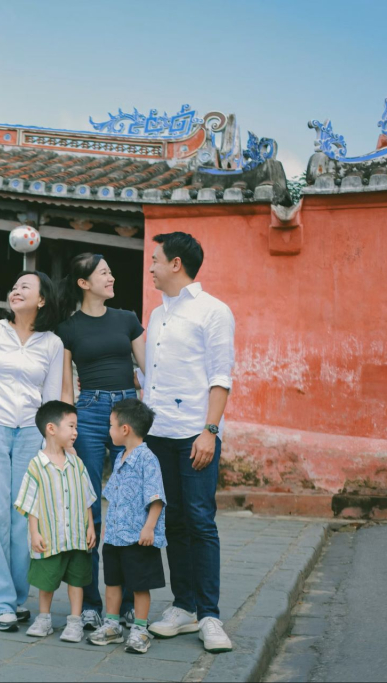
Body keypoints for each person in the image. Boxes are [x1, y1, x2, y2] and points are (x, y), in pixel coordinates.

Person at [141, 231, 235, 653]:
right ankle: (183, 607)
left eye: (156, 259)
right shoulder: (158, 315)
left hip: (194, 436)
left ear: (176, 263)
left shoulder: (214, 311)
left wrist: (209, 431)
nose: (151, 266)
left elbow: (220, 376)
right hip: (159, 434)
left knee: (200, 521)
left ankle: (210, 616)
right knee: (172, 523)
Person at [0, 271, 64, 632]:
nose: (15, 291)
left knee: (23, 516)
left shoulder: (52, 343)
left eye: (25, 287)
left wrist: (52, 443)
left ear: (42, 300)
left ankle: (18, 598)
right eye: (14, 286)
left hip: (29, 434)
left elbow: (51, 400)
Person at [56, 253, 146, 630]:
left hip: (127, 411)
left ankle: (125, 602)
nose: (111, 277)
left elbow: (149, 370)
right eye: (104, 273)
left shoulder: (127, 320)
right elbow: (65, 383)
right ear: (83, 283)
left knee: (130, 507)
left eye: (110, 271)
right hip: (90, 413)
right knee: (89, 509)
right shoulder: (69, 328)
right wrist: (67, 428)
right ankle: (91, 602)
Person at [14, 401, 97, 643]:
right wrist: (34, 532)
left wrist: (90, 526)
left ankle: (74, 621)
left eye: (76, 427)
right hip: (50, 536)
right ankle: (44, 618)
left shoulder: (76, 464)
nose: (75, 432)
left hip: (77, 536)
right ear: (51, 428)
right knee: (46, 579)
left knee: (77, 579)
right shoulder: (37, 465)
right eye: (71, 426)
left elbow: (87, 497)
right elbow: (31, 502)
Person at [88, 398, 166, 655]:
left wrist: (149, 528)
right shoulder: (121, 456)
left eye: (111, 425)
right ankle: (112, 624)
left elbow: (156, 498)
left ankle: (140, 629)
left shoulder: (148, 459)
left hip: (137, 536)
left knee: (139, 583)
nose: (108, 430)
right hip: (115, 536)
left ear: (125, 429)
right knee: (113, 581)